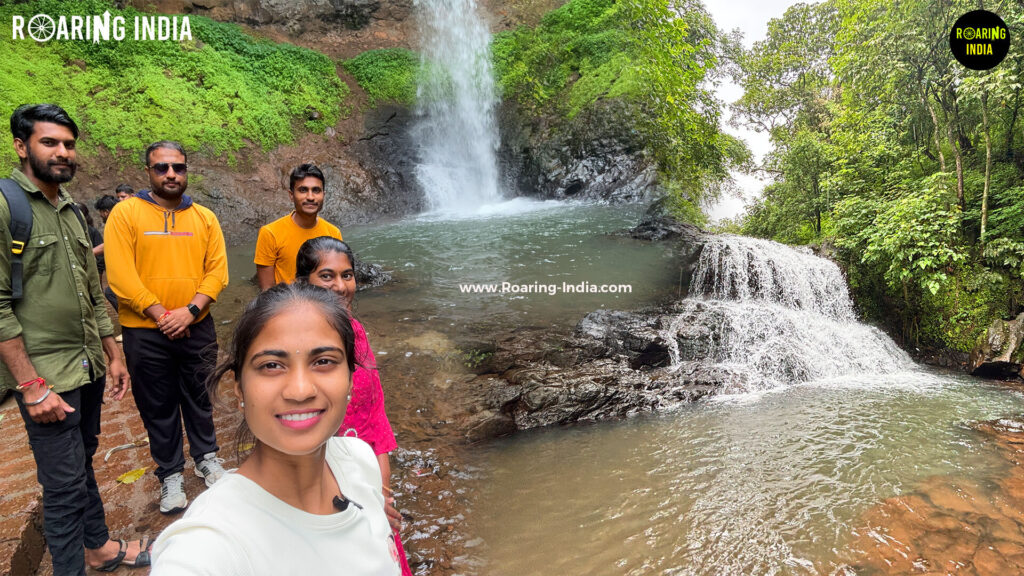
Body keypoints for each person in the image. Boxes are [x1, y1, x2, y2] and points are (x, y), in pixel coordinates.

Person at [151, 283, 402, 575]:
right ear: (239, 388)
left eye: (323, 361)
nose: (299, 390)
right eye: (271, 365)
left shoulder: (360, 459)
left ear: (350, 379)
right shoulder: (209, 544)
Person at [0, 104, 149, 574]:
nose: (62, 152)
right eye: (50, 142)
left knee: (83, 460)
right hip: (45, 379)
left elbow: (89, 290)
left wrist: (113, 352)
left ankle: (98, 547)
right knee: (62, 489)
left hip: (85, 365)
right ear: (22, 147)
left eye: (68, 143)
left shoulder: (69, 210)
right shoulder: (7, 208)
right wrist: (30, 385)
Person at [105, 140, 229, 514]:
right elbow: (120, 276)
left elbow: (217, 271)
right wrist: (162, 314)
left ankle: (207, 456)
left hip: (197, 325)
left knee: (200, 394)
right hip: (145, 332)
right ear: (149, 172)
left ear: (187, 170)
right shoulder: (125, 214)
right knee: (156, 404)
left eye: (178, 167)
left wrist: (189, 311)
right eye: (162, 168)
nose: (171, 174)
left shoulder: (205, 218)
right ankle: (170, 472)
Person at [295, 237, 411, 576]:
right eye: (327, 276)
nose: (341, 286)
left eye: (347, 276)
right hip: (318, 489)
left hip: (366, 478)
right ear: (304, 282)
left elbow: (375, 416)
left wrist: (383, 493)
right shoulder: (293, 345)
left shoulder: (355, 332)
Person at [254, 164, 342, 290]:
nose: (310, 197)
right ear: (291, 195)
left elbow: (336, 281)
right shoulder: (270, 233)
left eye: (316, 190)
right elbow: (267, 290)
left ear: (323, 194)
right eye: (303, 190)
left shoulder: (333, 233)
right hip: (286, 306)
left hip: (323, 305)